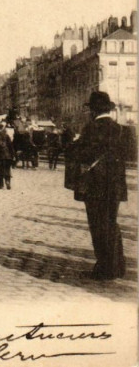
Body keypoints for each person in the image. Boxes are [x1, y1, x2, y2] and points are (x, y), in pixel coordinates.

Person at [69, 91, 135, 280]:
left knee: (98, 226)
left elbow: (82, 154)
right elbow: (129, 155)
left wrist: (74, 144)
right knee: (111, 223)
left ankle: (105, 268)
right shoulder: (120, 129)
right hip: (115, 185)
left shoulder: (92, 128)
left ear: (93, 110)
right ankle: (118, 266)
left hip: (95, 185)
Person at [0, 123, 15, 189]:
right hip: (7, 155)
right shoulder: (6, 135)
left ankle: (1, 185)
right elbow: (10, 146)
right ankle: (8, 182)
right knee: (7, 169)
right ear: (1, 129)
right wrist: (12, 155)